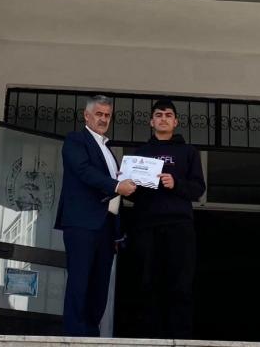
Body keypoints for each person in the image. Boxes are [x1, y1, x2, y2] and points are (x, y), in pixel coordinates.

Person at [54, 95, 137, 337]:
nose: (103, 119)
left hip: (107, 225)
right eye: (99, 114)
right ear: (86, 115)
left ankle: (91, 335)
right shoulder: (75, 140)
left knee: (100, 285)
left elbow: (113, 189)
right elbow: (84, 171)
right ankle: (73, 336)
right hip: (82, 222)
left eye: (107, 115)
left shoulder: (108, 150)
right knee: (80, 280)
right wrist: (116, 185)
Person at [129, 99, 206, 339]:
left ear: (176, 122)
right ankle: (149, 338)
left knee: (180, 284)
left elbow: (198, 189)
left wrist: (176, 183)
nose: (163, 118)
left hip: (179, 226)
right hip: (146, 226)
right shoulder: (140, 154)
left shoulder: (188, 152)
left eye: (168, 115)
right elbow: (132, 195)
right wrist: (129, 185)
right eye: (159, 115)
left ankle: (180, 338)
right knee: (146, 283)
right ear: (151, 121)